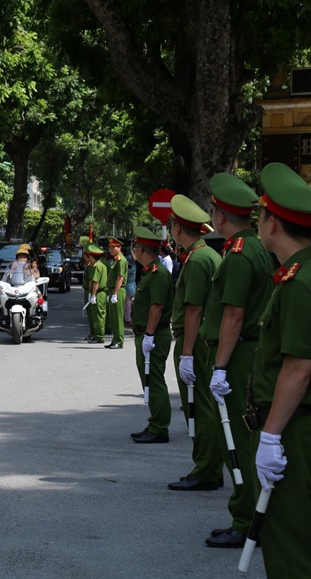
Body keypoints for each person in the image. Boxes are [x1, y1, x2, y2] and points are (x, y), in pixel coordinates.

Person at [200, 171, 275, 548]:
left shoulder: (240, 255)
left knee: (239, 441)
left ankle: (246, 520)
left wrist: (219, 367)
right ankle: (245, 515)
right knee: (245, 439)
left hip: (238, 354)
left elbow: (233, 315)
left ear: (220, 216)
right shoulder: (254, 248)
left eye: (213, 209)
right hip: (247, 351)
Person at [250, 162, 311, 575]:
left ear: (273, 223)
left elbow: (298, 366)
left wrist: (271, 436)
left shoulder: (300, 281)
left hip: (295, 426)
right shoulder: (296, 274)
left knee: (289, 540)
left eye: (261, 214)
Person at [166, 194, 224, 491]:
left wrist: (186, 353)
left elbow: (194, 309)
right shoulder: (203, 255)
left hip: (196, 343)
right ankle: (208, 465)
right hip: (200, 341)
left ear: (177, 229)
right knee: (202, 405)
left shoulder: (199, 259)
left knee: (199, 406)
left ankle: (207, 469)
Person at [129, 226, 174, 443]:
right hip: (148, 334)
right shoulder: (151, 270)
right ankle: (155, 422)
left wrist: (148, 334)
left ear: (140, 250)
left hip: (154, 335)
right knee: (150, 380)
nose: (134, 252)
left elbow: (156, 307)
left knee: (154, 380)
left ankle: (159, 428)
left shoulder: (158, 273)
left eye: (135, 248)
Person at [104, 238, 128, 349]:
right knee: (113, 317)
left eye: (114, 247)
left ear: (120, 247)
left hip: (118, 290)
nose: (111, 249)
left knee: (118, 318)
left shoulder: (121, 260)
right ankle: (115, 340)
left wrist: (115, 294)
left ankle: (119, 341)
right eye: (110, 247)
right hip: (113, 290)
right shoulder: (116, 259)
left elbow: (120, 278)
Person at [86, 244, 108, 344]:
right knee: (98, 315)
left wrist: (93, 295)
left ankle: (99, 336)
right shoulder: (101, 264)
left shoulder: (97, 266)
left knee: (98, 315)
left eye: (90, 256)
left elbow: (96, 282)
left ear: (92, 257)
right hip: (100, 293)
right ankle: (97, 335)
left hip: (98, 293)